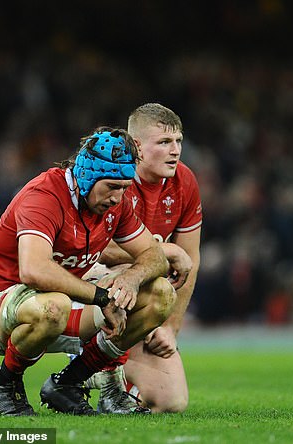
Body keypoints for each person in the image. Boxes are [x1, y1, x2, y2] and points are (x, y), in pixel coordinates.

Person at [0, 127, 177, 416]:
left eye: (125, 188)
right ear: (89, 176)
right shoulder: (44, 195)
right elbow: (34, 271)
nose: (118, 197)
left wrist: (130, 279)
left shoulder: (115, 204)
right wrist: (104, 297)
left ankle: (68, 383)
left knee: (159, 294)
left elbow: (154, 256)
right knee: (54, 305)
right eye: (113, 187)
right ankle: (6, 382)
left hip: (60, 307)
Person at [83, 103, 202, 413]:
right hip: (96, 282)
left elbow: (190, 260)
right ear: (137, 146)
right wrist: (161, 251)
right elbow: (94, 246)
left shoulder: (185, 182)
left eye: (178, 141)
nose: (175, 150)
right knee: (127, 265)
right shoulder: (113, 177)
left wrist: (170, 328)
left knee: (171, 402)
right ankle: (84, 363)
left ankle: (118, 382)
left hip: (148, 295)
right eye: (163, 142)